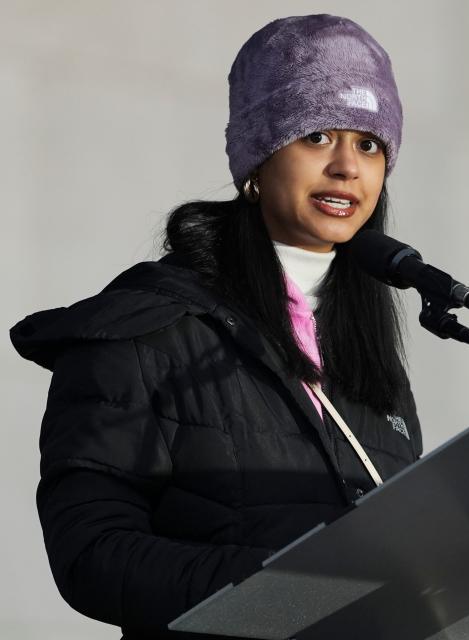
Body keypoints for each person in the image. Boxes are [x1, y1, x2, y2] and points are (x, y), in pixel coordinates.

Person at [10, 15, 421, 639]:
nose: (347, 167)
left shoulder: (371, 364)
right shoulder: (148, 327)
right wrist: (286, 594)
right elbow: (90, 553)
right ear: (256, 158)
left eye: (369, 143)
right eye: (316, 135)